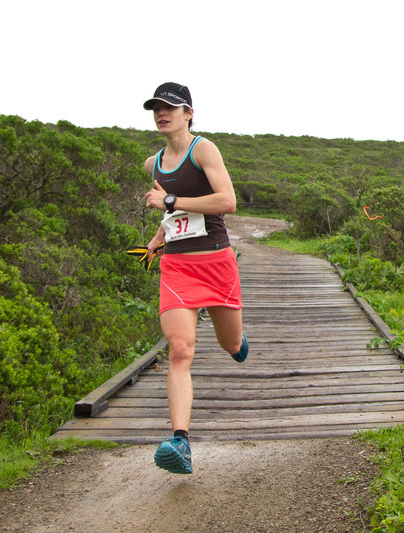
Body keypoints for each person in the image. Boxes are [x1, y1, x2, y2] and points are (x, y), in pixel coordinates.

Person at [141, 82, 248, 474]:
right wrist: (156, 240)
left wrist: (170, 200)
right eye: (155, 108)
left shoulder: (202, 149)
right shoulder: (153, 164)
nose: (161, 113)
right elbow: (172, 218)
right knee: (181, 349)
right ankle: (181, 441)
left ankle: (237, 343)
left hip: (216, 264)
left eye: (169, 107)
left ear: (188, 113)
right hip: (178, 267)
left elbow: (227, 202)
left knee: (229, 343)